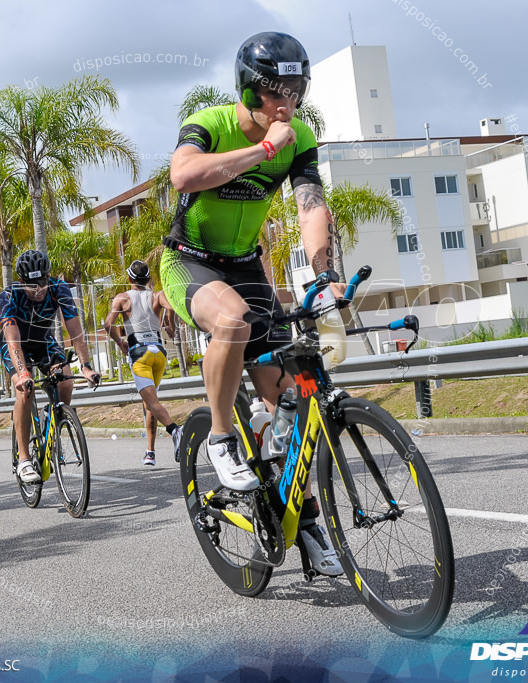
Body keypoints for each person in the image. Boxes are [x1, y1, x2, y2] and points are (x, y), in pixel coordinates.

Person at [159, 32, 343, 576]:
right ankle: (220, 436)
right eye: (273, 92)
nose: (284, 103)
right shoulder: (209, 123)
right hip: (189, 260)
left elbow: (311, 206)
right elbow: (184, 174)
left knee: (292, 403)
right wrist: (264, 149)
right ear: (247, 88)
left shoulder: (300, 136)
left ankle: (304, 521)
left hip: (246, 266)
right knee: (232, 320)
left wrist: (324, 272)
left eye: (295, 91)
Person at [0, 249, 100, 484]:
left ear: (48, 277)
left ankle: (55, 418)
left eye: (42, 282)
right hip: (16, 346)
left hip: (44, 342)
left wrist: (86, 367)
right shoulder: (10, 295)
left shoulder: (58, 288)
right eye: (32, 285)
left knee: (66, 381)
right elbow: (12, 340)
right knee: (26, 390)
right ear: (22, 281)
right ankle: (24, 459)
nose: (39, 289)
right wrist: (23, 373)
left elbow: (75, 332)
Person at [104, 259, 182, 466]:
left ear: (129, 278)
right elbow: (171, 306)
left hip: (140, 354)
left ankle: (175, 430)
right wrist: (169, 324)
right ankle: (150, 452)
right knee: (150, 404)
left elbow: (107, 323)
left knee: (152, 403)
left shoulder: (122, 298)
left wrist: (120, 342)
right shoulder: (157, 295)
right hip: (159, 354)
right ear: (147, 279)